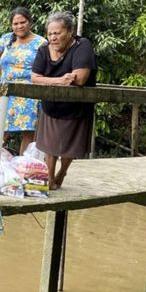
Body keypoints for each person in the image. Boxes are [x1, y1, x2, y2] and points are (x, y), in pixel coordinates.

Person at [31, 11, 97, 190]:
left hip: (76, 107)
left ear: (69, 32)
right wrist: (59, 80)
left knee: (71, 145)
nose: (53, 37)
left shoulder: (82, 46)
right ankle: (50, 179)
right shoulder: (44, 49)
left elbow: (80, 78)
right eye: (50, 33)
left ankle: (62, 173)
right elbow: (35, 77)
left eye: (57, 33)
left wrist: (60, 79)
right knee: (49, 145)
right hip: (51, 104)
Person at [0, 7, 47, 154]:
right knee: (0, 129)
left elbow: (48, 68)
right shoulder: (7, 39)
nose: (19, 26)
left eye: (23, 22)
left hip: (30, 94)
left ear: (30, 23)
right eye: (15, 23)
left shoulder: (41, 43)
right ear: (11, 25)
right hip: (5, 91)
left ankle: (23, 169)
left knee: (28, 132)